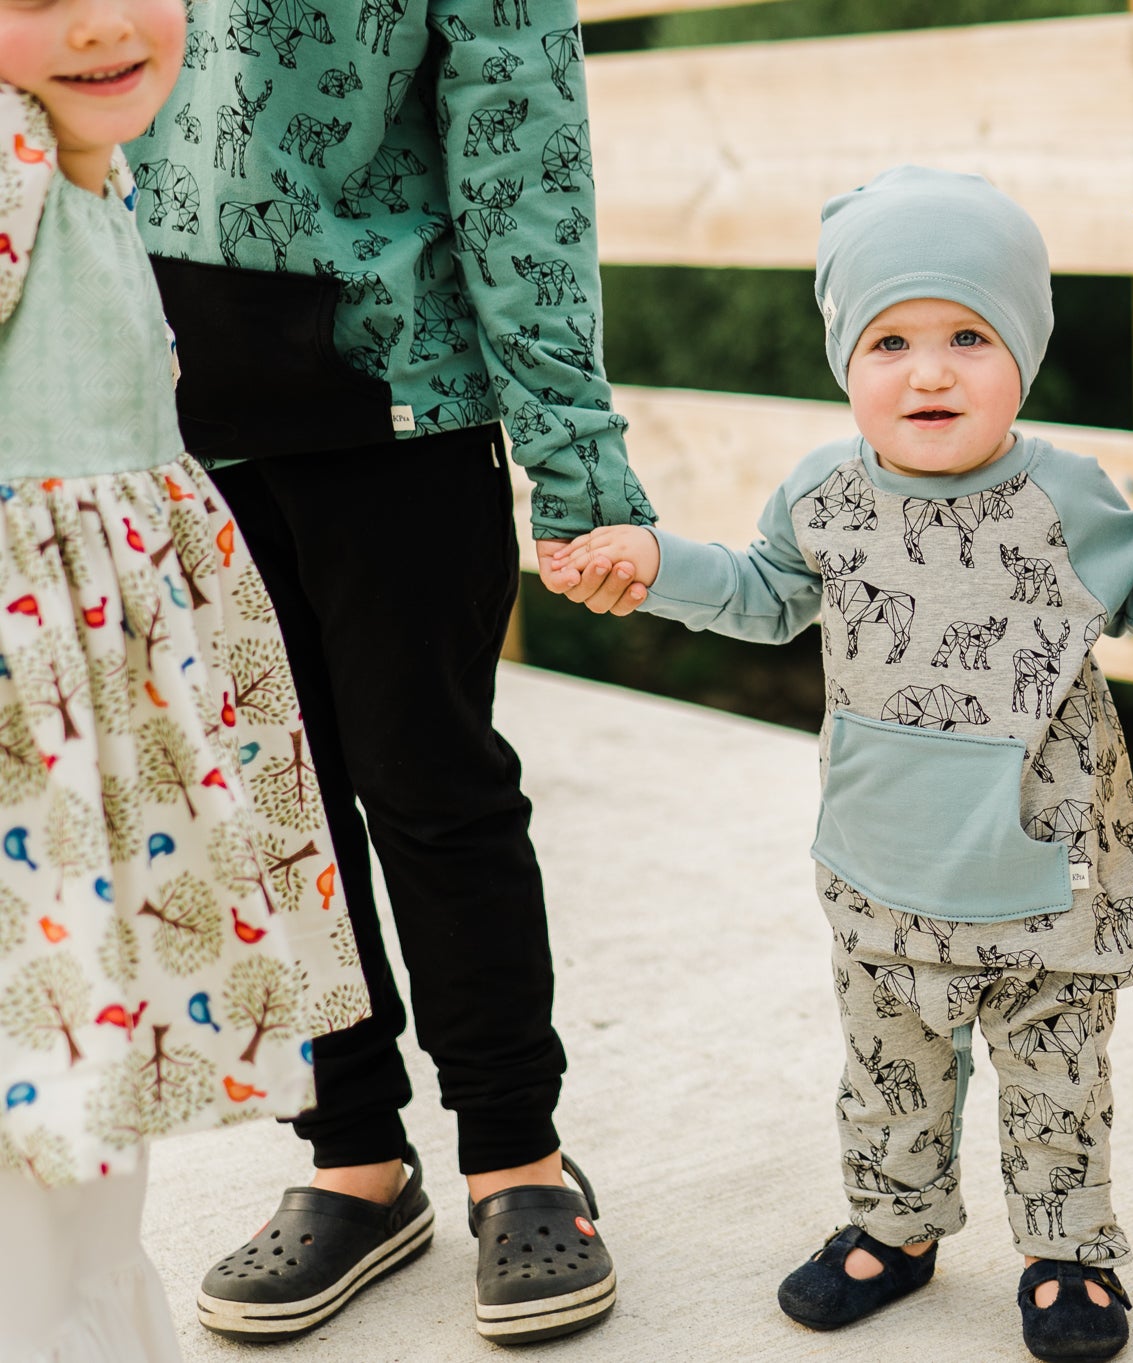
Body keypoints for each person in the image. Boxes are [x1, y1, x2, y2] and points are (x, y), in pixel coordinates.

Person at [555, 165, 1133, 1363]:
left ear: (1022, 349)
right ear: (843, 360)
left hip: (1043, 865)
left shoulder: (1059, 495)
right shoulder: (823, 493)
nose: (929, 371)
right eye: (890, 340)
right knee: (887, 1061)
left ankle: (1067, 1249)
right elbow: (764, 598)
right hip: (883, 858)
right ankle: (893, 1225)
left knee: (1055, 1071)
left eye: (970, 335)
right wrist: (658, 563)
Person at [124, 0, 654, 1338]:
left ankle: (517, 1156)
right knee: (264, 813)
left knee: (431, 785)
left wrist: (575, 457)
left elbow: (519, 149)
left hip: (395, 398)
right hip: (161, 420)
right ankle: (352, 1153)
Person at [0, 12, 367, 1355]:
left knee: (86, 1104)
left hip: (100, 729)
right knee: (44, 1102)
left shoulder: (80, 154)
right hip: (32, 733)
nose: (98, 20)